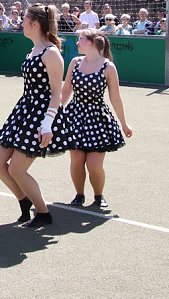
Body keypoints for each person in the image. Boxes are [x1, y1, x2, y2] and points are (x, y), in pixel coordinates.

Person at [0, 4, 70, 228]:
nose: (21, 22)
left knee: (17, 169)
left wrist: (47, 123)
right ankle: (24, 201)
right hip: (24, 111)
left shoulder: (51, 52)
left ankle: (43, 213)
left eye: (24, 19)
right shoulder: (33, 50)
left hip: (41, 115)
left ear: (35, 24)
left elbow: (56, 94)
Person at [62, 29, 132, 209]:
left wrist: (124, 124)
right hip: (75, 116)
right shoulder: (75, 62)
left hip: (98, 119)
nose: (77, 43)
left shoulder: (108, 67)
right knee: (76, 160)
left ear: (92, 42)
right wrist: (53, 113)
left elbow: (115, 98)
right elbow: (66, 90)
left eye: (81, 39)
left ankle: (98, 196)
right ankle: (79, 195)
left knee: (94, 165)